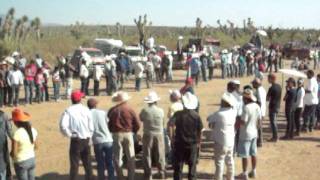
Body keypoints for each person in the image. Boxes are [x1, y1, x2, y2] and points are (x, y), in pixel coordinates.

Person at [59, 90, 94, 180]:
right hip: (86, 138)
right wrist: (89, 135)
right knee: (87, 163)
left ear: (72, 100)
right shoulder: (86, 110)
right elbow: (91, 126)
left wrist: (70, 134)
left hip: (76, 140)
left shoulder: (68, 110)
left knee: (74, 164)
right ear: (80, 100)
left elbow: (63, 125)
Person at [108, 91, 141, 180]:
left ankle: (120, 177)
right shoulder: (130, 109)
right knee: (130, 156)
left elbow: (109, 124)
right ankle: (131, 177)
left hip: (116, 134)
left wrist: (112, 131)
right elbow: (137, 123)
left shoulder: (112, 110)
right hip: (128, 133)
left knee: (117, 157)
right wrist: (134, 131)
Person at [171, 92, 203, 180]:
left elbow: (171, 125)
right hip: (192, 144)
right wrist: (199, 143)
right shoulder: (196, 116)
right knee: (192, 168)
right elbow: (200, 131)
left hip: (179, 143)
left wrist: (172, 138)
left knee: (178, 167)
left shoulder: (177, 114)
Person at [207, 93, 237, 180]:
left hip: (220, 142)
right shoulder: (233, 112)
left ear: (224, 103)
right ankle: (231, 178)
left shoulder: (219, 113)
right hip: (231, 140)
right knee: (230, 161)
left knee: (219, 163)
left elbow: (209, 119)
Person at [139, 91, 166, 180]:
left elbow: (141, 118)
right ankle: (161, 172)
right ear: (156, 101)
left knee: (147, 154)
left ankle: (148, 174)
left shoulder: (145, 111)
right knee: (160, 154)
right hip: (159, 134)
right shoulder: (161, 111)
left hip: (148, 134)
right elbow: (163, 122)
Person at [87, 98, 115, 180]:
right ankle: (111, 178)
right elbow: (108, 122)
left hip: (97, 141)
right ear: (96, 105)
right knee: (110, 162)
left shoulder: (87, 114)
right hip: (107, 139)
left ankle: (101, 178)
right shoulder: (102, 112)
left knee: (100, 163)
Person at [237, 89, 261, 180]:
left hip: (246, 134)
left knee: (245, 155)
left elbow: (243, 122)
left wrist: (237, 120)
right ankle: (254, 171)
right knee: (254, 153)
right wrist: (256, 130)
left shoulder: (246, 108)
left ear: (246, 98)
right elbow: (259, 121)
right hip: (254, 132)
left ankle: (245, 174)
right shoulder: (256, 106)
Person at [11, 108, 38, 180]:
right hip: (32, 159)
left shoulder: (17, 133)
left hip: (21, 162)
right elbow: (36, 146)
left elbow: (14, 153)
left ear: (16, 122)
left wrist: (11, 155)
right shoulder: (33, 130)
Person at [266, 74, 282, 142]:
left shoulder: (271, 88)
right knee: (274, 122)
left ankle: (275, 137)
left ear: (272, 79)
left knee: (273, 122)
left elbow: (267, 98)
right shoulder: (279, 86)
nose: (267, 80)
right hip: (277, 106)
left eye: (268, 79)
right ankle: (275, 136)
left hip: (272, 106)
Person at [252, 78, 266, 147]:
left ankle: (259, 141)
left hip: (259, 111)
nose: (252, 85)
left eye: (253, 83)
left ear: (256, 84)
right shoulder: (262, 89)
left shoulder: (259, 90)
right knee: (259, 127)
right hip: (262, 110)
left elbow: (259, 102)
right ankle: (259, 141)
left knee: (258, 127)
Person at [0, 109, 13, 180]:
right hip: (2, 144)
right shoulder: (4, 115)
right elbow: (10, 131)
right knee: (5, 160)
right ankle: (8, 175)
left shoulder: (4, 115)